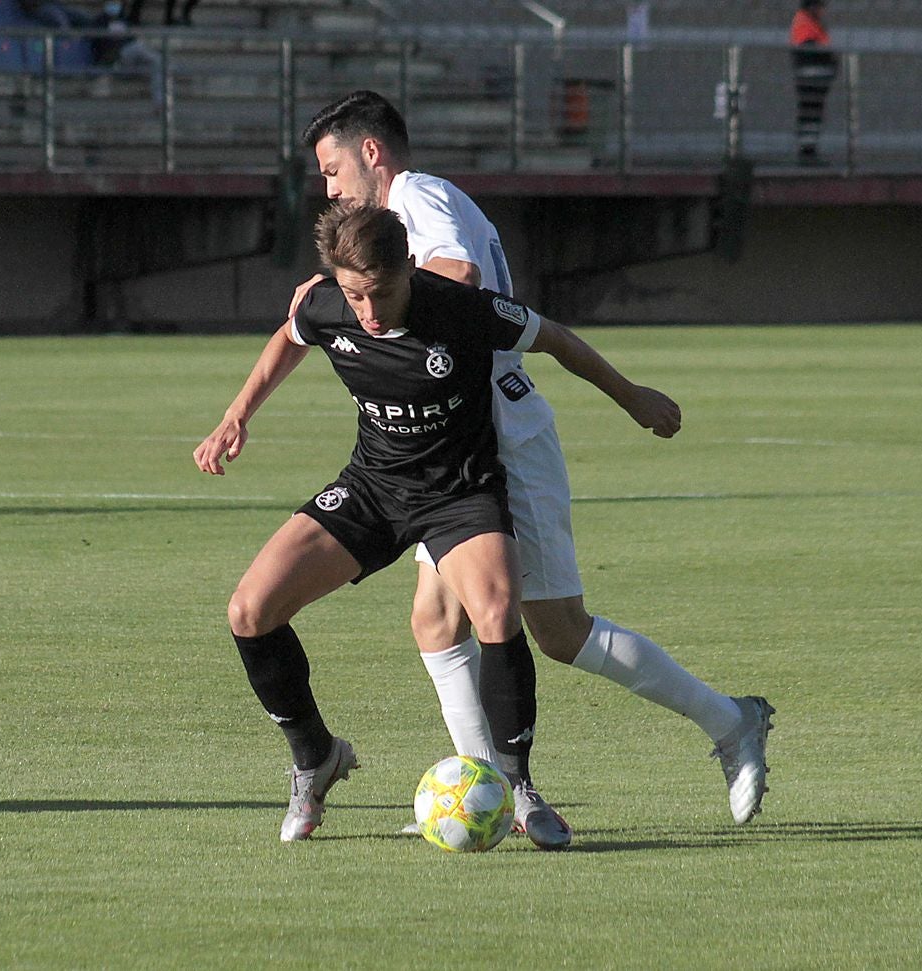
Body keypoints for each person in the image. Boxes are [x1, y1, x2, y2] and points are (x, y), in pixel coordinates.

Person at [290, 91, 775, 842]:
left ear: (373, 153)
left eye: (332, 169)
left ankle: (730, 721)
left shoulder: (421, 197)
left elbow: (456, 271)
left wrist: (358, 297)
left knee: (558, 629)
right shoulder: (396, 219)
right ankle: (493, 791)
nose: (330, 188)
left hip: (502, 436)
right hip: (449, 444)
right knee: (434, 618)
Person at [195, 202, 684, 843]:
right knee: (249, 611)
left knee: (497, 612)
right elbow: (291, 337)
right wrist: (237, 414)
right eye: (354, 294)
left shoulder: (460, 308)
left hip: (460, 491)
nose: (367, 310)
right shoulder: (325, 303)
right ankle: (315, 758)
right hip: (373, 486)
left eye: (381, 292)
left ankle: (520, 790)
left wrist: (633, 397)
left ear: (409, 269)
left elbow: (557, 339)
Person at [790, 0, 837, 166]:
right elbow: (810, 49)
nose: (823, 11)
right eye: (820, 7)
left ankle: (809, 150)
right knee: (811, 114)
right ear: (812, 7)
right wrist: (829, 60)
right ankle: (808, 152)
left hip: (814, 76)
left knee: (812, 114)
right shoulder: (805, 22)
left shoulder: (809, 21)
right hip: (811, 77)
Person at [93, 0, 163, 107]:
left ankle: (159, 103)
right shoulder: (100, 21)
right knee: (139, 48)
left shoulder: (123, 18)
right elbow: (99, 45)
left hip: (131, 53)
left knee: (156, 63)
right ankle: (171, 65)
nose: (115, 5)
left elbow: (130, 36)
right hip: (118, 56)